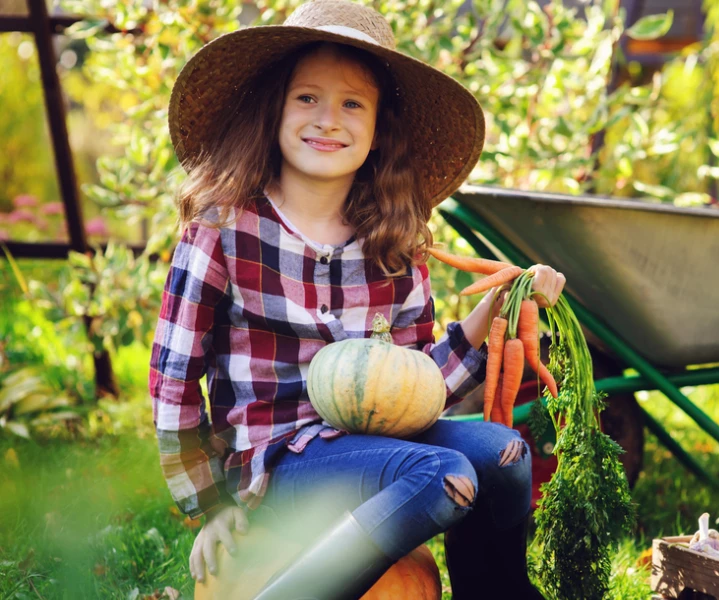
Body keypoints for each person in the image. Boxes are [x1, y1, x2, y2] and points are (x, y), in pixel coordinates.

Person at [150, 1, 567, 598]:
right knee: (443, 474)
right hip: (277, 462)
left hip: (381, 447)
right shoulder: (223, 229)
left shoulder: (391, 240)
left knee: (503, 455)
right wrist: (209, 505)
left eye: (352, 104)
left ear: (377, 131)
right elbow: (174, 380)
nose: (328, 119)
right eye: (307, 98)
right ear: (274, 110)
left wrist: (494, 312)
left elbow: (415, 390)